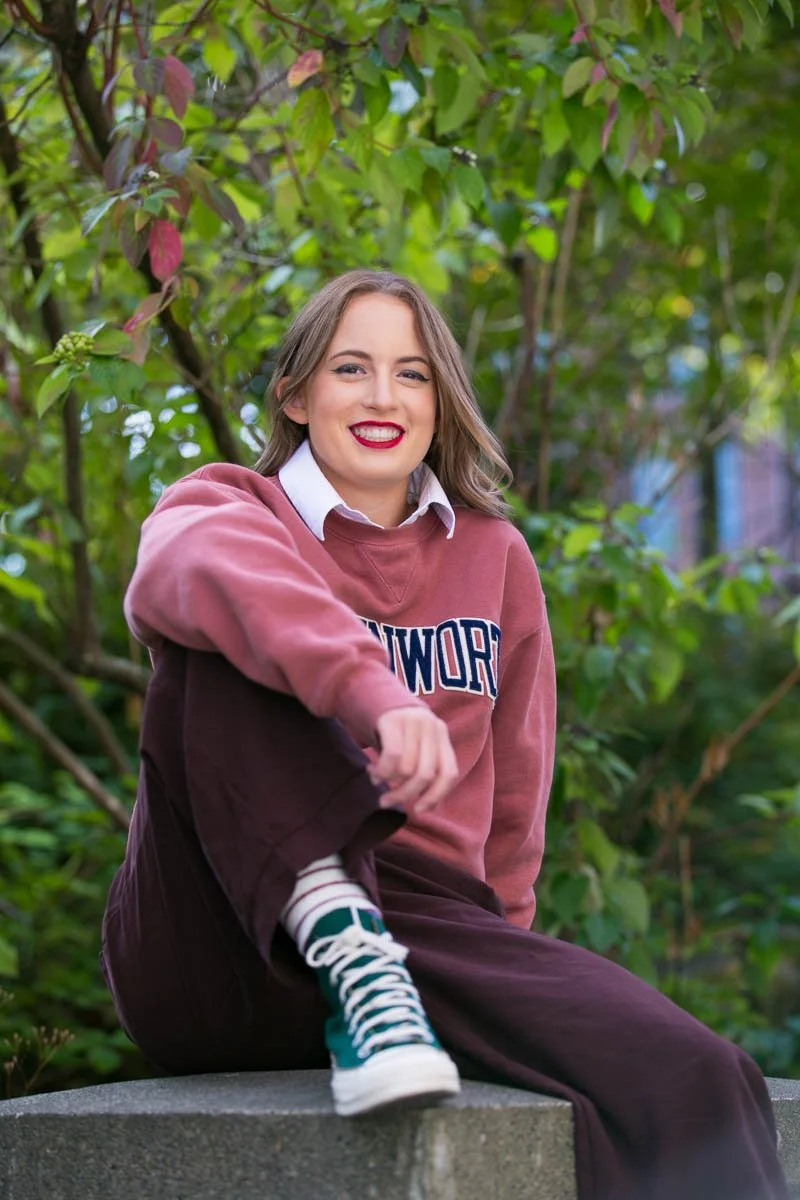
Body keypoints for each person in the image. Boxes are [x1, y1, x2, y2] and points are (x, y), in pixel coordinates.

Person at [102, 270, 788, 1198]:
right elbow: (177, 570)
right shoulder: (228, 509)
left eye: (413, 374)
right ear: (296, 394)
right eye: (352, 368)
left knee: (698, 1074)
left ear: (441, 401)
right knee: (221, 631)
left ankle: (372, 971)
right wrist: (369, 689)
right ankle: (338, 928)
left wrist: (509, 980)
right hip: (221, 934)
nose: (383, 397)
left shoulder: (492, 555)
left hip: (421, 930)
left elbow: (514, 806)